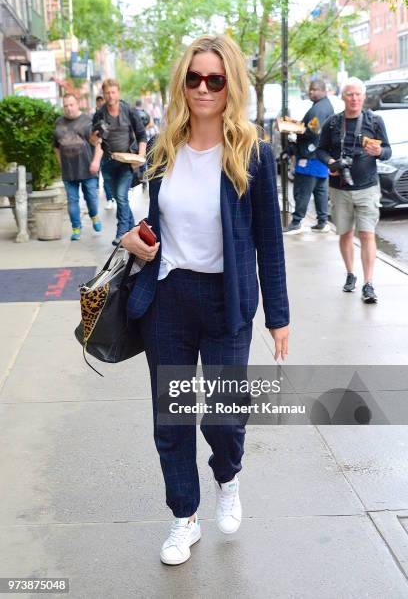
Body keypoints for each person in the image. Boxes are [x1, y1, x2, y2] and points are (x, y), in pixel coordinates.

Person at [121, 34, 289, 566]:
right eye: (193, 78)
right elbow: (145, 217)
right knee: (171, 417)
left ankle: (228, 475)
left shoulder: (254, 154)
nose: (202, 88)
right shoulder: (161, 148)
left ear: (230, 84)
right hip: (168, 297)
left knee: (221, 415)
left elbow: (270, 239)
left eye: (214, 79)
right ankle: (183, 518)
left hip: (227, 300)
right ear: (182, 82)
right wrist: (131, 238)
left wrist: (278, 316)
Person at [317, 77, 391, 303]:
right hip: (340, 190)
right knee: (345, 233)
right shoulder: (332, 123)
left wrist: (378, 152)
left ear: (364, 96)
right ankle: (351, 274)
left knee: (367, 234)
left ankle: (368, 284)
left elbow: (387, 151)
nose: (354, 98)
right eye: (350, 94)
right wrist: (331, 163)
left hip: (367, 187)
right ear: (342, 97)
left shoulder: (375, 121)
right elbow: (320, 151)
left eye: (358, 94)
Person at [90, 79, 147, 246]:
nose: (110, 96)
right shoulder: (99, 114)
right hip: (108, 162)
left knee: (121, 196)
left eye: (113, 92)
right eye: (107, 93)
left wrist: (140, 157)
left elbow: (142, 135)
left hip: (126, 162)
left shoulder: (128, 110)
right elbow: (94, 140)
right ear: (104, 94)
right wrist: (94, 137)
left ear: (118, 93)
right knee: (118, 197)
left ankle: (121, 233)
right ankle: (132, 227)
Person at [284, 80, 334, 234]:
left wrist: (293, 128)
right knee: (320, 190)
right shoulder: (324, 106)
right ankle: (322, 221)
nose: (311, 92)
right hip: (320, 155)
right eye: (310, 89)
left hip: (310, 155)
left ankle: (297, 222)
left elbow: (312, 131)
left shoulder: (319, 109)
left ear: (323, 91)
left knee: (303, 189)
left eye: (314, 89)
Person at [54, 94, 102, 241]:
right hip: (69, 171)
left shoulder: (88, 120)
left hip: (88, 168)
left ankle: (94, 215)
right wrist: (61, 164)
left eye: (71, 105)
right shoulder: (59, 122)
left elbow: (99, 142)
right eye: (66, 105)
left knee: (91, 198)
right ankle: (76, 228)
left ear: (77, 104)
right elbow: (56, 147)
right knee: (72, 200)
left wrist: (96, 162)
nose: (68, 108)